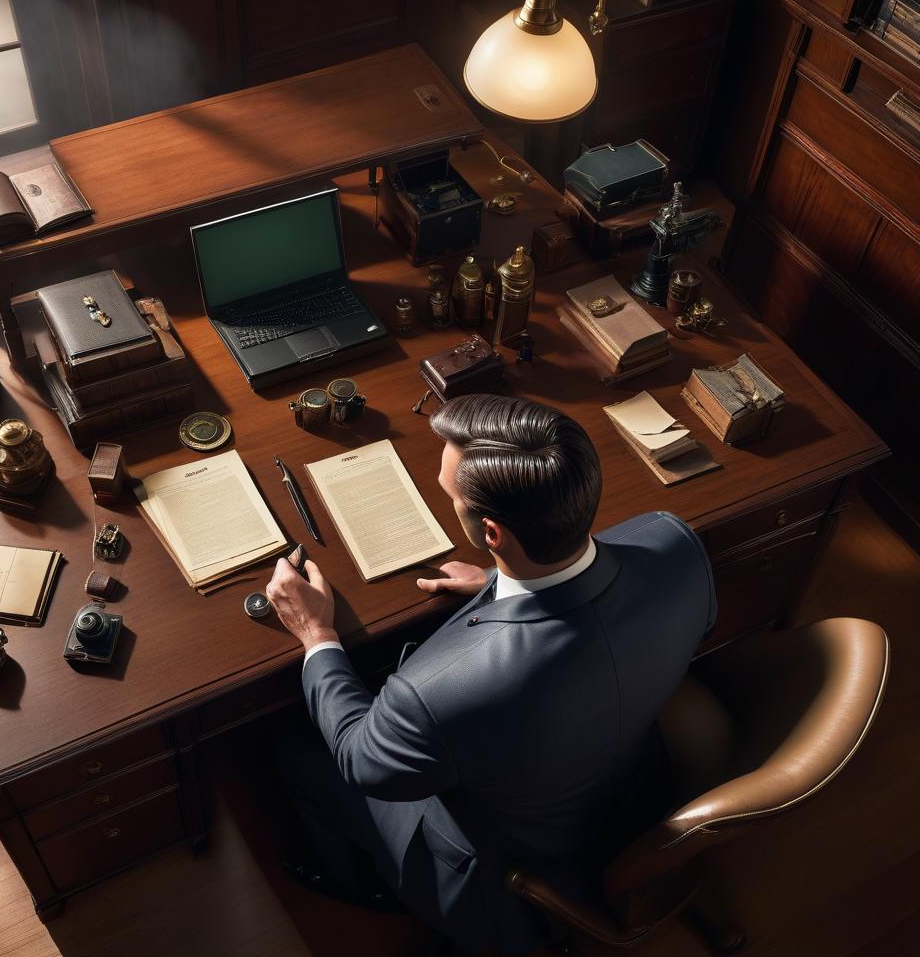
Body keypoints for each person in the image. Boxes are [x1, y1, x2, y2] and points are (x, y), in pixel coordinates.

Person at [265, 393, 716, 954]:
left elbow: (362, 761)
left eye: (452, 498)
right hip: (635, 792)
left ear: (494, 533)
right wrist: (500, 582)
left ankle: (354, 884)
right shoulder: (673, 542)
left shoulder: (433, 689)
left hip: (504, 869)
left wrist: (317, 634)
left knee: (291, 751)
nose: (448, 500)